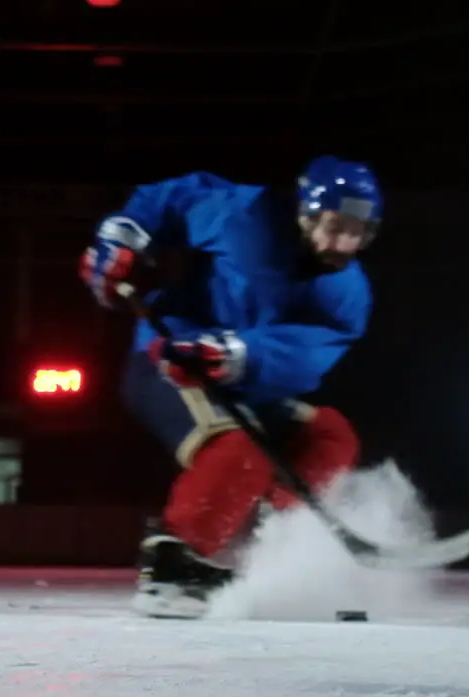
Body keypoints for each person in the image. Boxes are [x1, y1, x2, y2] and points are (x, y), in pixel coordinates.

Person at [78, 155, 382, 618]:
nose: (345, 242)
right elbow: (173, 198)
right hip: (167, 358)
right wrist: (124, 234)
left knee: (330, 434)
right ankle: (173, 566)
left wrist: (238, 353)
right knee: (239, 451)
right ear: (306, 213)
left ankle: (276, 546)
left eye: (358, 231)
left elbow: (306, 357)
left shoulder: (349, 292)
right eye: (336, 225)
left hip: (241, 381)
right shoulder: (244, 216)